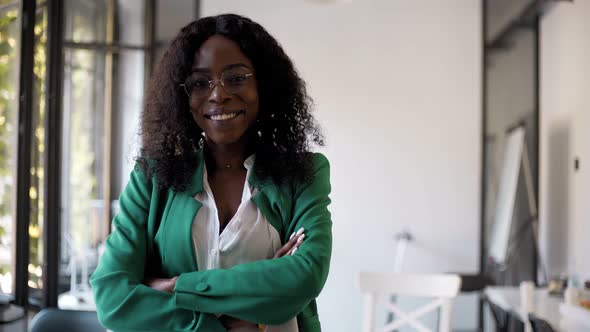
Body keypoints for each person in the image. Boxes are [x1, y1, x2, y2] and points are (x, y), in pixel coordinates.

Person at [90, 13, 332, 332]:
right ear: (183, 96)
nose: (218, 94)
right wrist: (221, 323)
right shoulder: (152, 176)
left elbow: (305, 276)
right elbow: (112, 297)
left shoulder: (304, 174)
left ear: (264, 83)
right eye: (200, 83)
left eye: (236, 78)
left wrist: (177, 286)